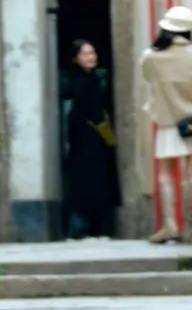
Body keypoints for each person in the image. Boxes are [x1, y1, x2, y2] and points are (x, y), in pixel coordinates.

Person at [140, 4, 192, 244]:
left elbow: (147, 76)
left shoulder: (151, 56)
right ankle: (188, 227)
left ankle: (170, 225)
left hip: (167, 120)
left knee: (164, 172)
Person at [64, 39, 121, 240]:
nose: (91, 57)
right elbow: (79, 114)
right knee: (87, 183)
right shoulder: (80, 82)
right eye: (85, 54)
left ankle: (91, 228)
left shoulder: (93, 79)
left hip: (94, 137)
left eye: (92, 52)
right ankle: (79, 229)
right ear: (76, 58)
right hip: (86, 139)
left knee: (96, 182)